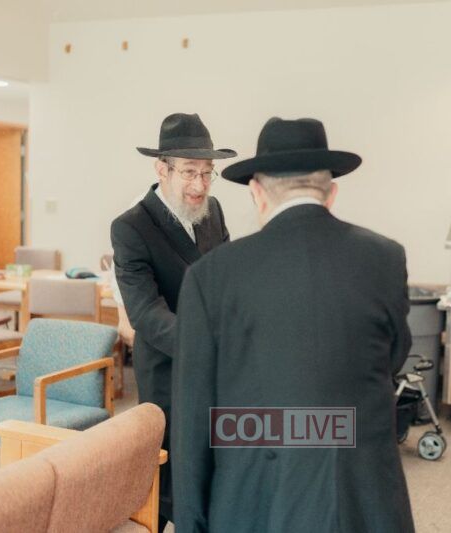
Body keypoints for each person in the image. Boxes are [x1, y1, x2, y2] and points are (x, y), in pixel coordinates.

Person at [173, 117, 415, 533]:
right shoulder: (385, 258)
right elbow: (392, 357)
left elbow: (193, 419)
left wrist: (191, 524)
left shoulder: (211, 276)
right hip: (362, 494)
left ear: (257, 193)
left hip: (254, 498)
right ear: (331, 193)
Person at [110, 112, 235, 531]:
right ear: (161, 169)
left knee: (215, 470)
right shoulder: (131, 227)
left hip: (218, 369)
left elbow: (227, 278)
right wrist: (209, 345)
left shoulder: (213, 211)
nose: (200, 185)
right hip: (170, 370)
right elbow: (146, 313)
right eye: (189, 172)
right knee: (173, 480)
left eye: (207, 173)